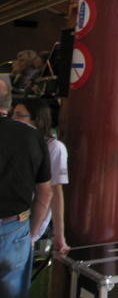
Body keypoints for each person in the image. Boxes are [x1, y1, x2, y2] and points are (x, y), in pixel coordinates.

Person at [0, 86, 52, 298]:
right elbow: (45, 193)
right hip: (15, 229)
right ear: (8, 104)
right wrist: (31, 234)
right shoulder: (32, 136)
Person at [12, 98, 69, 254]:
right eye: (13, 114)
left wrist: (59, 234)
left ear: (36, 120)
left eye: (19, 115)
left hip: (29, 221)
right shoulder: (15, 143)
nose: (13, 119)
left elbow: (55, 192)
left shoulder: (54, 147)